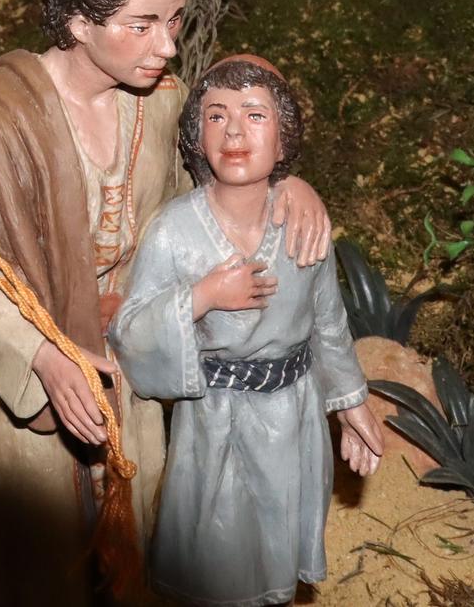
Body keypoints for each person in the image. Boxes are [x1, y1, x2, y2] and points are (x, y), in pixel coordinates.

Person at [0, 0, 332, 605]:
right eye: (142, 25)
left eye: (174, 20)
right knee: (38, 555)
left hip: (129, 358)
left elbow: (217, 185)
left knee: (134, 542)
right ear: (80, 22)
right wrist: (46, 357)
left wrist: (289, 183)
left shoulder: (163, 104)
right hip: (32, 371)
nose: (168, 45)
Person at [110, 55, 385, 606]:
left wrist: (352, 406)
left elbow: (328, 322)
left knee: (273, 549)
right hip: (215, 421)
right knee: (216, 555)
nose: (233, 130)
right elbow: (131, 328)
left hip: (292, 419)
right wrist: (203, 297)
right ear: (195, 134)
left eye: (255, 115)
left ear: (283, 141)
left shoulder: (303, 226)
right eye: (216, 116)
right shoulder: (173, 231)